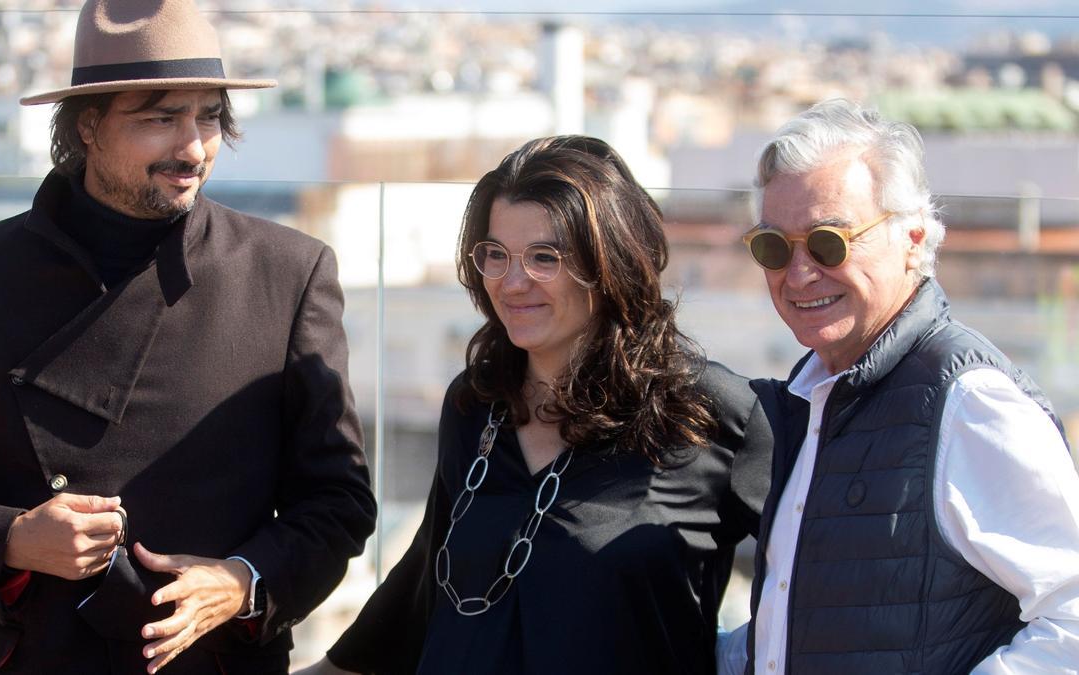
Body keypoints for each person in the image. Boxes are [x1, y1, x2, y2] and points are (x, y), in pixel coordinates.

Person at [0, 1, 376, 673]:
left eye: (208, 116)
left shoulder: (288, 272)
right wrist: (16, 540)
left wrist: (242, 582)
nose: (194, 146)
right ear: (88, 126)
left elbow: (338, 502)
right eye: (160, 118)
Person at [296, 135, 772, 675]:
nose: (512, 282)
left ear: (609, 261)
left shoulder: (709, 412)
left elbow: (815, 572)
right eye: (495, 254)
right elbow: (429, 574)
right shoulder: (475, 402)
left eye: (545, 257)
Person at [730, 98, 1079, 674]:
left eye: (828, 242)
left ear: (913, 239)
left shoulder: (967, 402)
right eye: (773, 247)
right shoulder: (815, 397)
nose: (799, 274)